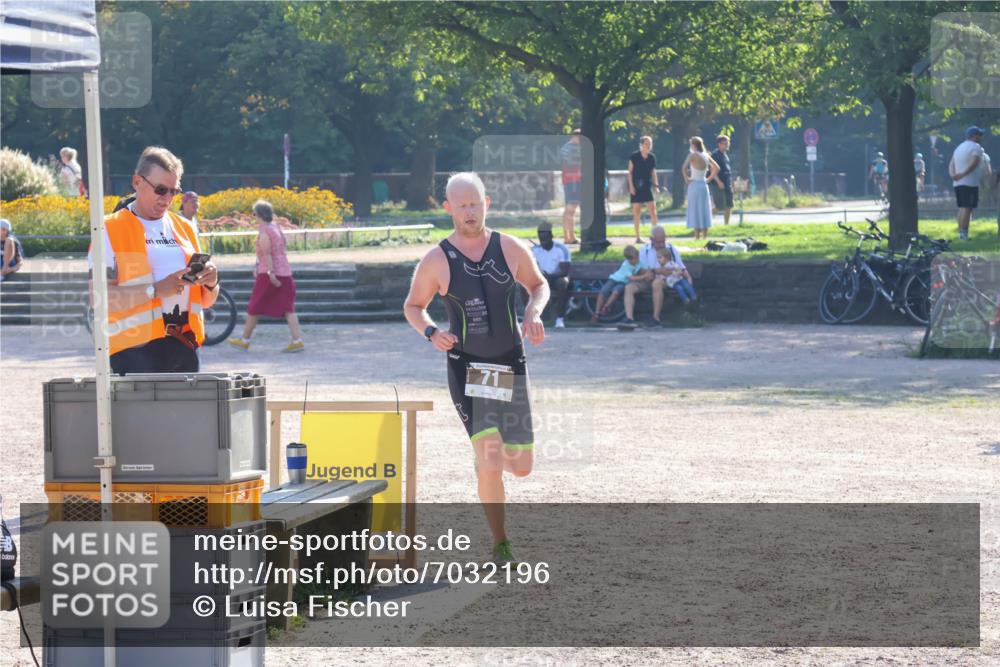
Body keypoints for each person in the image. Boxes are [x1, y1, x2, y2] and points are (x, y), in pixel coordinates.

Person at [403, 172, 548, 564]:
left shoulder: (509, 247)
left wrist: (533, 313)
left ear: (487, 203)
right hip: (470, 367)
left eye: (475, 203)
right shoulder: (438, 259)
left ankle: (490, 459)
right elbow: (413, 307)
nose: (469, 211)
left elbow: (538, 285)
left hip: (510, 362)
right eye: (461, 205)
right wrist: (431, 332)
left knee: (520, 467)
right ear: (448, 208)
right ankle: (501, 542)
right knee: (490, 457)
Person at [88, 146, 220, 374]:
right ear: (137, 182)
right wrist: (156, 290)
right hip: (133, 350)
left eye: (174, 191)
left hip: (184, 345)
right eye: (161, 189)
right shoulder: (108, 229)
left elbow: (206, 301)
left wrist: (211, 282)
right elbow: (97, 298)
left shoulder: (185, 227)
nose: (167, 198)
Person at [228, 200, 303, 352]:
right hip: (285, 272)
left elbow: (267, 253)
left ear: (259, 215)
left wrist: (270, 273)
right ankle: (297, 340)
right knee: (289, 308)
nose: (253, 217)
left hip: (269, 274)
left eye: (254, 214)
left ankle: (245, 340)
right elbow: (279, 249)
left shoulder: (264, 232)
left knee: (255, 306)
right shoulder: (276, 227)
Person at [623, 225, 672, 327]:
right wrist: (655, 271)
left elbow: (679, 268)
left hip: (664, 280)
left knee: (656, 283)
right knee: (629, 287)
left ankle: (656, 318)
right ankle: (629, 318)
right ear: (651, 239)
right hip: (646, 279)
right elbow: (641, 269)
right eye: (659, 242)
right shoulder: (644, 250)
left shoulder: (671, 249)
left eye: (663, 241)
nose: (662, 244)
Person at [530, 222, 571, 329]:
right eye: (541, 239)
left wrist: (549, 277)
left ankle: (560, 319)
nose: (543, 242)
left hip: (556, 278)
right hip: (542, 278)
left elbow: (564, 271)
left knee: (563, 283)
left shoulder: (562, 249)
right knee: (523, 286)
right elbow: (530, 268)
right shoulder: (535, 250)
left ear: (551, 236)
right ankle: (532, 318)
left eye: (545, 239)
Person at [949, 126, 986, 241]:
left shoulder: (958, 147)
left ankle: (961, 233)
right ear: (973, 136)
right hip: (969, 183)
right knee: (967, 208)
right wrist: (963, 174)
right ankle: (963, 235)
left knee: (962, 208)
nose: (981, 137)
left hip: (958, 183)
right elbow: (974, 162)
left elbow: (951, 164)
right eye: (978, 134)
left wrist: (953, 175)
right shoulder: (976, 147)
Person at [592, 245, 643, 324]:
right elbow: (631, 278)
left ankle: (606, 307)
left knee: (616, 292)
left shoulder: (639, 263)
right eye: (634, 259)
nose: (636, 260)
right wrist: (644, 276)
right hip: (614, 279)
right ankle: (597, 312)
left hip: (623, 283)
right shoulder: (626, 265)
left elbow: (644, 268)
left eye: (637, 258)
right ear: (628, 259)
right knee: (603, 292)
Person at [682, 136, 719, 241]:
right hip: (703, 184)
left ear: (693, 145)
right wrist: (708, 179)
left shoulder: (693, 155)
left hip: (694, 184)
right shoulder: (706, 155)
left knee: (695, 210)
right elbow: (716, 168)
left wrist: (687, 179)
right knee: (704, 210)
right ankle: (705, 236)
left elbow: (683, 167)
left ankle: (697, 236)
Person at [628, 136, 659, 243]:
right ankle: (637, 237)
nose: (648, 146)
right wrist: (631, 186)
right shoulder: (634, 156)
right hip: (636, 185)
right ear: (641, 145)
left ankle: (655, 235)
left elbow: (653, 172)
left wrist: (656, 185)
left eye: (650, 144)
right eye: (646, 144)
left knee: (653, 211)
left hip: (647, 185)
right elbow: (630, 172)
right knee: (637, 212)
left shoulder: (652, 157)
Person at [559, 130, 582, 245]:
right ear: (575, 136)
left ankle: (568, 236)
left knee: (570, 209)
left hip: (573, 181)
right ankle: (569, 237)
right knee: (571, 208)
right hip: (572, 181)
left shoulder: (569, 148)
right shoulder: (569, 148)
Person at [710, 135, 734, 225]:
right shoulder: (715, 155)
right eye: (724, 143)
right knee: (719, 206)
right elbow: (712, 169)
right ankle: (705, 220)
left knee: (729, 205)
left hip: (727, 183)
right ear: (719, 144)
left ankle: (726, 224)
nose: (726, 145)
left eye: (727, 143)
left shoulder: (725, 155)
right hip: (717, 184)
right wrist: (718, 181)